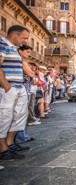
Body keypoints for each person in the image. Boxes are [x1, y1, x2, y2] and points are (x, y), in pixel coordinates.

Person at [0, 25, 31, 160]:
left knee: (19, 116)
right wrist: (7, 87)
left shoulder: (15, 49)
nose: (25, 41)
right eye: (24, 38)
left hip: (19, 87)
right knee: (5, 117)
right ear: (14, 34)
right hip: (9, 88)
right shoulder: (2, 44)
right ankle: (2, 148)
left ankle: (9, 143)